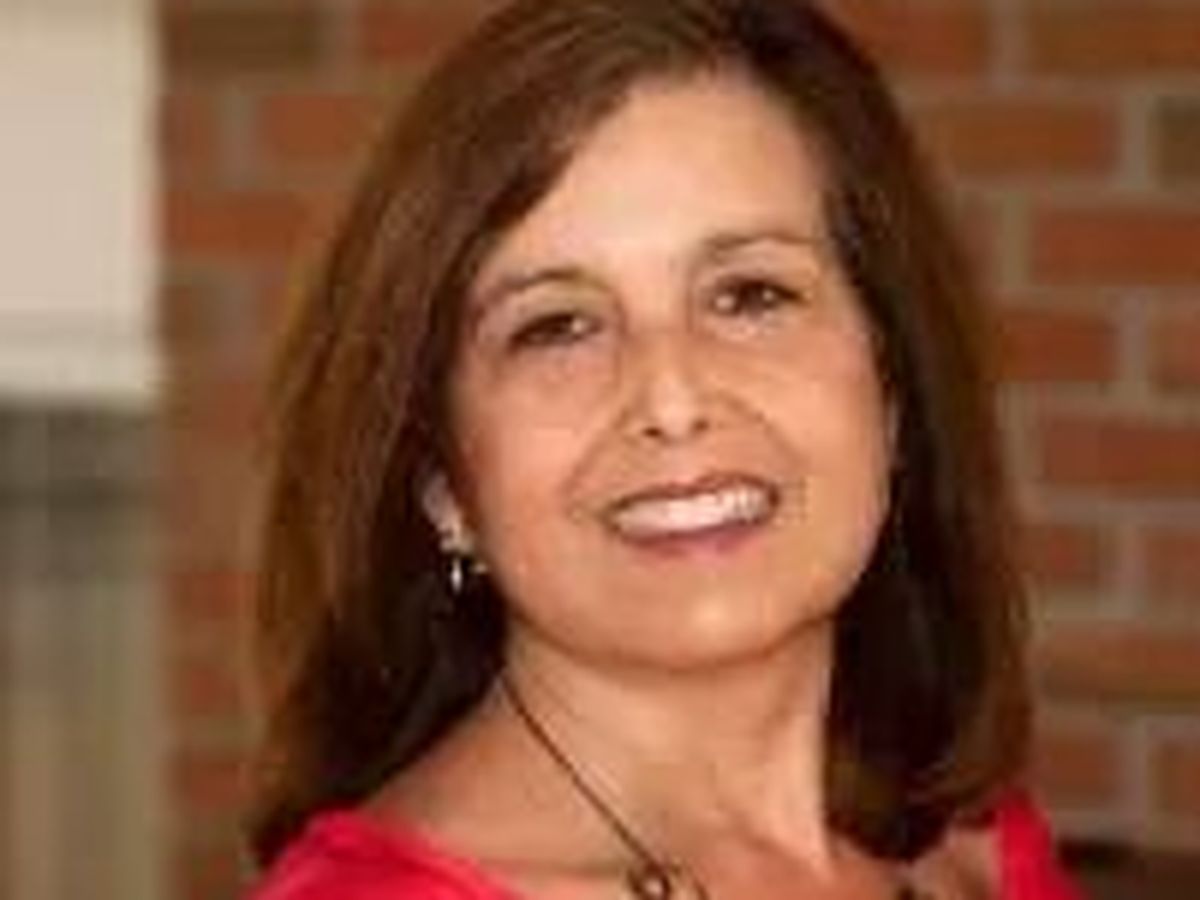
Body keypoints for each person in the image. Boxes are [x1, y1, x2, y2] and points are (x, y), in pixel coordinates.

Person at [248, 0, 1083, 897]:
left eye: (751, 295)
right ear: (440, 478)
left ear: (892, 389)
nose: (673, 399)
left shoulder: (980, 860)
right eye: (558, 326)